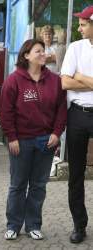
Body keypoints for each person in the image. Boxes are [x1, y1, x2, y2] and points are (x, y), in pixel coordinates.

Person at [0, 39, 67, 240]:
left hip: (46, 141)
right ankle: (13, 225)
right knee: (18, 184)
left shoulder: (55, 80)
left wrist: (56, 133)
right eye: (38, 51)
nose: (42, 54)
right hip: (21, 141)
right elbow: (6, 111)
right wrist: (11, 137)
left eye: (43, 51)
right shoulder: (13, 80)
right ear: (26, 55)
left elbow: (61, 110)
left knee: (38, 185)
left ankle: (33, 225)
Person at [60, 5, 93, 244]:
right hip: (78, 115)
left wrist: (79, 76)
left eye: (83, 24)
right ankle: (79, 225)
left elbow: (74, 78)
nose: (79, 28)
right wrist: (85, 80)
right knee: (76, 173)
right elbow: (64, 82)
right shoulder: (75, 47)